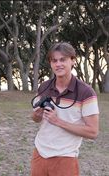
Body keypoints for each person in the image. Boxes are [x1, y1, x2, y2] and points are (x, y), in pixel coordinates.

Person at [30, 42, 99, 176]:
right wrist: (37, 115)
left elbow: (93, 132)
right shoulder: (44, 86)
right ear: (50, 63)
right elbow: (35, 119)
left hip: (65, 157)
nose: (58, 64)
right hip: (39, 153)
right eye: (54, 60)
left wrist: (58, 121)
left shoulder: (86, 92)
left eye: (63, 59)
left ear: (73, 61)